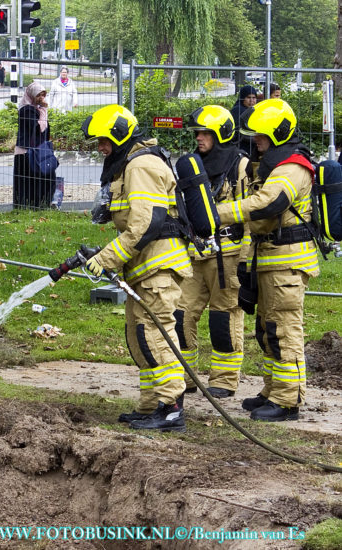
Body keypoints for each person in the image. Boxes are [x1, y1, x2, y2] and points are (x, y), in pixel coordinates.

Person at [81, 105, 192, 432]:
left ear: (118, 136)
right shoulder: (130, 164)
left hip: (158, 265)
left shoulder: (141, 165)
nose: (101, 147)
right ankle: (150, 405)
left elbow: (146, 224)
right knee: (139, 336)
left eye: (103, 140)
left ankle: (171, 407)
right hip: (145, 266)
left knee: (156, 335)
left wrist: (105, 259)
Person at [216, 99, 318, 422]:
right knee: (267, 330)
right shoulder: (274, 164)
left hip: (287, 263)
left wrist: (215, 213)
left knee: (284, 330)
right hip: (269, 260)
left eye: (261, 135)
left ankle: (288, 401)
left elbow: (266, 204)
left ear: (278, 133)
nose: (256, 141)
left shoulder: (293, 167)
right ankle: (273, 390)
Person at [175, 105, 252, 399]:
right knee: (181, 314)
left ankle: (224, 379)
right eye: (197, 133)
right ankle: (185, 376)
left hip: (228, 258)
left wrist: (245, 258)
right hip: (195, 256)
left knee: (223, 319)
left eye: (205, 133)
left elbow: (249, 215)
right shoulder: (193, 166)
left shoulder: (240, 166)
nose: (199, 138)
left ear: (221, 134)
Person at [13, 82, 55, 208]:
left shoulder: (35, 109)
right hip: (26, 152)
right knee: (28, 181)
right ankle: (27, 205)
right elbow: (38, 129)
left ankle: (40, 204)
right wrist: (44, 110)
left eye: (43, 95)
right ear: (31, 95)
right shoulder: (27, 110)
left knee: (43, 178)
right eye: (38, 95)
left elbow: (45, 131)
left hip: (37, 151)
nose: (41, 98)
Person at [231, 85, 258, 156]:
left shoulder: (253, 110)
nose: (251, 100)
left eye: (254, 98)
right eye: (248, 97)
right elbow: (241, 134)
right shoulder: (238, 110)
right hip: (241, 148)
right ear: (242, 98)